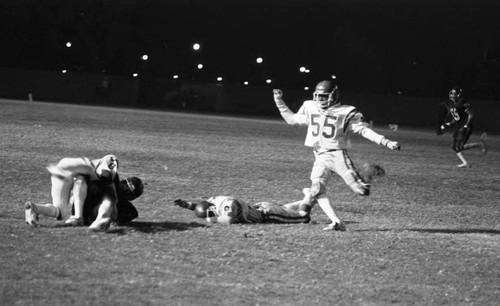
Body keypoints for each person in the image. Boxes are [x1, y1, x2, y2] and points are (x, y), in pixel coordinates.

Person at [273, 80, 400, 231]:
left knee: (362, 190)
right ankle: (336, 222)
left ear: (333, 96)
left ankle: (367, 174)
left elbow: (363, 130)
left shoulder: (346, 111)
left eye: (323, 96)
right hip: (320, 155)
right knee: (316, 189)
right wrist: (279, 101)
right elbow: (292, 119)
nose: (320, 100)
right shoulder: (310, 106)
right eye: (318, 96)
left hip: (337, 155)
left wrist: (385, 141)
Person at [24, 154, 135, 231]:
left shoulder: (96, 169)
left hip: (61, 176)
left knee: (60, 212)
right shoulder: (91, 167)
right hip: (63, 173)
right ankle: (78, 217)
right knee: (81, 178)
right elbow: (108, 163)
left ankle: (34, 208)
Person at [174, 188, 315, 224]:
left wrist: (212, 220)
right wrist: (188, 205)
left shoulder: (227, 205)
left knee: (303, 218)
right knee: (284, 210)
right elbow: (202, 206)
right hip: (261, 207)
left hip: (266, 214)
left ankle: (309, 195)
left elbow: (228, 220)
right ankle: (306, 200)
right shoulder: (214, 201)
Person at [438, 86, 487, 168]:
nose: (452, 95)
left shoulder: (463, 103)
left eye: (454, 93)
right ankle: (465, 163)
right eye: (452, 93)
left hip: (465, 127)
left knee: (459, 147)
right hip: (459, 127)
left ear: (459, 94)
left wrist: (466, 125)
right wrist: (448, 124)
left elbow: (471, 115)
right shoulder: (451, 104)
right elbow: (457, 118)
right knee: (454, 147)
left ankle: (479, 145)